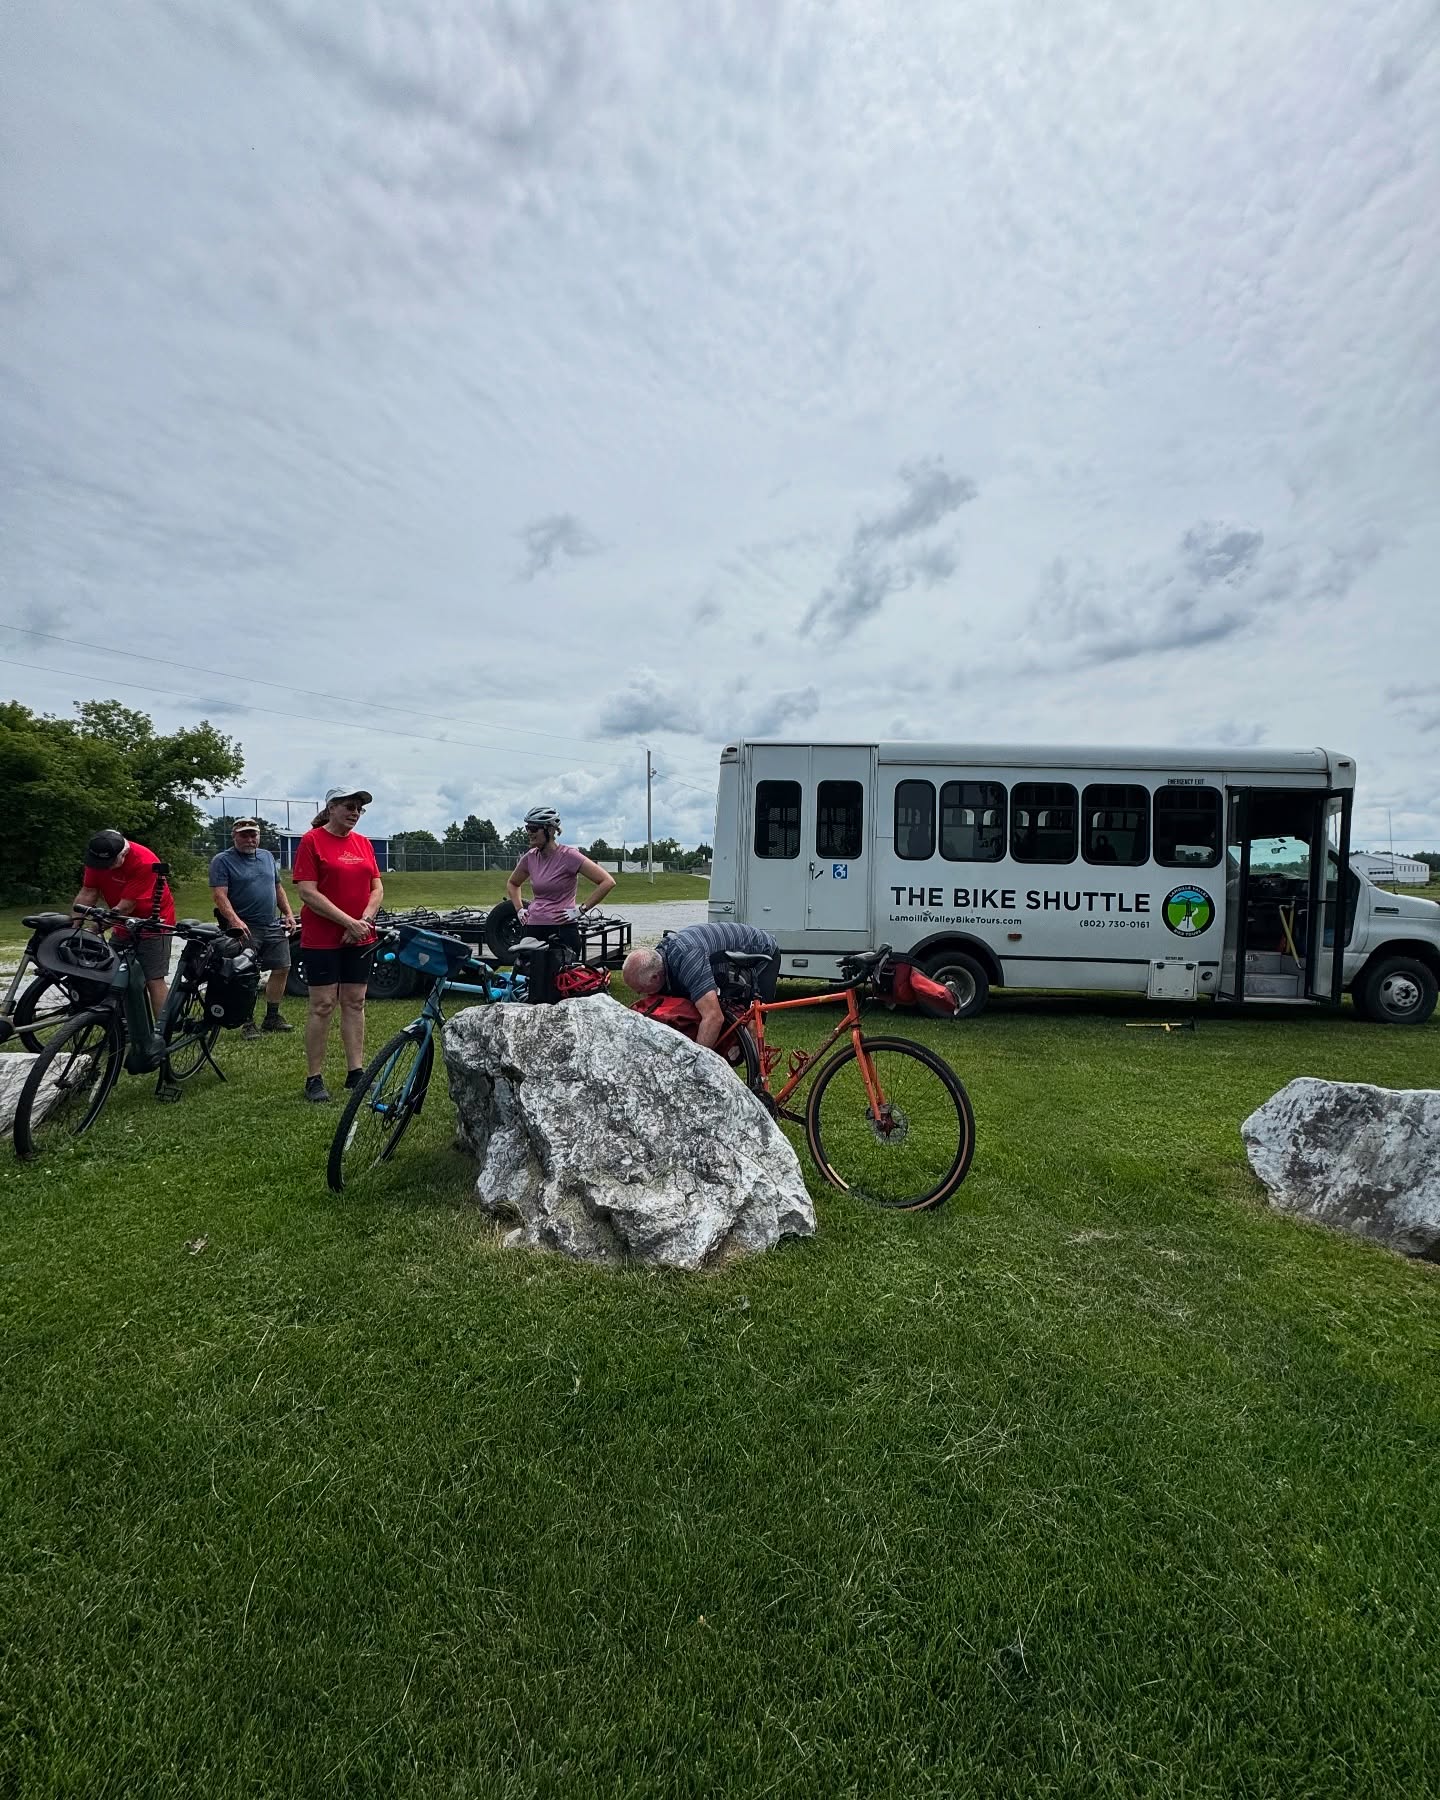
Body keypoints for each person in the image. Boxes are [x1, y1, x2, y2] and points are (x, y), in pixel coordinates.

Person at [292, 785, 382, 1103]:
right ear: (332, 808)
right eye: (349, 806)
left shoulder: (363, 844)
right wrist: (348, 922)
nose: (355, 812)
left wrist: (364, 922)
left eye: (359, 807)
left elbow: (376, 888)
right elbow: (307, 892)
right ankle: (314, 1077)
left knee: (355, 1002)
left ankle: (355, 1072)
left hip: (360, 935)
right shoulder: (311, 841)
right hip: (322, 938)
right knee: (322, 1005)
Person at [622, 922, 780, 1050]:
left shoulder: (688, 959)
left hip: (763, 954)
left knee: (751, 1025)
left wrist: (697, 1069)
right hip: (718, 958)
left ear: (655, 977)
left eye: (641, 990)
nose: (641, 995)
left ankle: (757, 1080)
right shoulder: (660, 956)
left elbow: (714, 1017)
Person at [209, 819, 298, 1039]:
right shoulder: (223, 860)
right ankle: (247, 1022)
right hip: (245, 926)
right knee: (245, 974)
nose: (250, 839)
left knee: (282, 967)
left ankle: (272, 1017)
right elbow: (219, 895)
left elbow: (277, 888)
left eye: (253, 835)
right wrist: (235, 921)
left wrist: (287, 914)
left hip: (271, 924)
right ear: (234, 836)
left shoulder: (267, 857)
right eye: (244, 835)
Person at [71, 829, 176, 1015]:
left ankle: (163, 1032)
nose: (102, 867)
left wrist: (94, 929)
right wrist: (73, 927)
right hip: (120, 922)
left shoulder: (145, 861)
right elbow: (88, 892)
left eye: (108, 863)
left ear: (123, 854)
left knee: (154, 978)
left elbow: (126, 906)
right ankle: (123, 1027)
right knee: (114, 973)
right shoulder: (97, 857)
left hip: (152, 923)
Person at [505, 806, 616, 958]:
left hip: (562, 929)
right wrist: (519, 909)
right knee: (532, 977)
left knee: (563, 979)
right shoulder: (530, 857)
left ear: (550, 830)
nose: (529, 832)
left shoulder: (569, 856)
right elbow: (513, 883)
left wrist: (581, 910)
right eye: (527, 828)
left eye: (534, 828)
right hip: (533, 928)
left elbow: (607, 881)